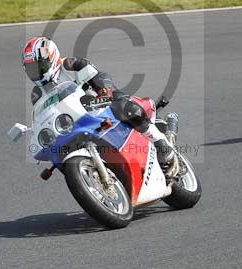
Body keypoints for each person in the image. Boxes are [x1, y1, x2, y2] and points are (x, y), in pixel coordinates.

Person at [21, 36, 178, 176]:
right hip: (74, 124)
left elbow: (100, 76)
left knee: (125, 107)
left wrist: (104, 91)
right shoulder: (37, 94)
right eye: (31, 69)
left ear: (51, 57)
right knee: (59, 153)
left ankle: (161, 143)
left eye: (38, 66)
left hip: (101, 104)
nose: (36, 72)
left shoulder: (70, 65)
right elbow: (43, 117)